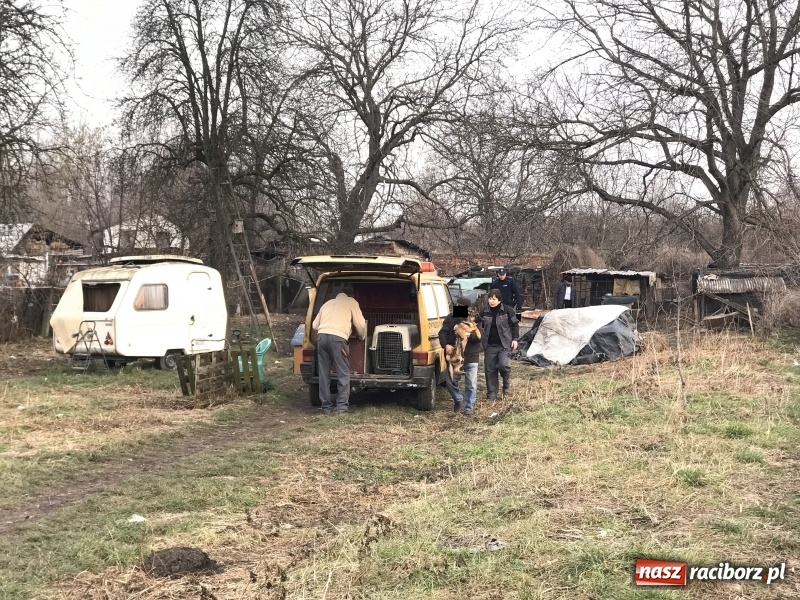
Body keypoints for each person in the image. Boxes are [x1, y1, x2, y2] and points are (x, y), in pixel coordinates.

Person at [311, 286, 367, 414]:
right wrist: (361, 336)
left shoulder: (327, 304)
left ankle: (326, 408)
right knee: (343, 373)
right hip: (338, 340)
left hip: (321, 338)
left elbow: (314, 326)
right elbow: (360, 324)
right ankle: (341, 408)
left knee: (324, 374)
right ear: (350, 295)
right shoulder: (352, 302)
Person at [439, 296, 482, 415]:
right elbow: (442, 333)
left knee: (471, 384)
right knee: (450, 382)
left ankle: (468, 408)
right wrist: (446, 345)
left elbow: (481, 336)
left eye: (460, 306)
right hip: (455, 356)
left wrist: (467, 335)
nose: (457, 307)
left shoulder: (474, 319)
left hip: (471, 355)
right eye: (456, 305)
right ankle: (458, 399)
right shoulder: (450, 317)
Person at [479, 289, 519, 400]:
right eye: (490, 299)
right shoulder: (484, 311)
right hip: (490, 345)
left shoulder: (507, 310)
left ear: (499, 300)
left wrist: (515, 339)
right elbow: (474, 320)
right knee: (490, 369)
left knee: (503, 365)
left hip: (504, 344)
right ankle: (492, 393)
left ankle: (506, 382)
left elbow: (515, 325)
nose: (491, 301)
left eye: (494, 299)